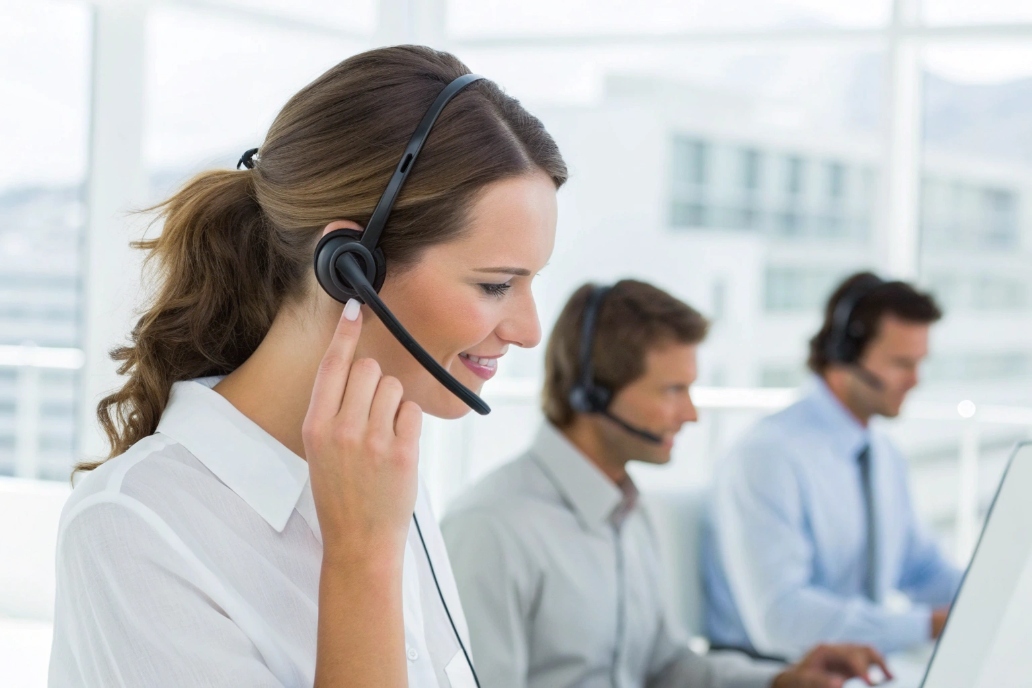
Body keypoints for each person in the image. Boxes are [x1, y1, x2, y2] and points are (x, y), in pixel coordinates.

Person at [48, 46, 566, 687]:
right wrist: (363, 559)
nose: (529, 330)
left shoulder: (378, 469)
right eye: (495, 285)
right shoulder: (134, 529)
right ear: (350, 267)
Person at [442, 280, 890, 688]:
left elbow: (665, 668)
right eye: (673, 390)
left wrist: (784, 680)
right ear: (592, 391)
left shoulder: (630, 514)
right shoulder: (491, 529)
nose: (691, 414)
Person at [703, 272, 964, 659]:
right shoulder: (769, 455)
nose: (915, 380)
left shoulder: (882, 454)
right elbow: (781, 619)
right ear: (844, 354)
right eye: (900, 364)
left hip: (857, 670)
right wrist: (926, 626)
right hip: (775, 672)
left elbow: (920, 568)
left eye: (919, 363)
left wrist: (999, 593)